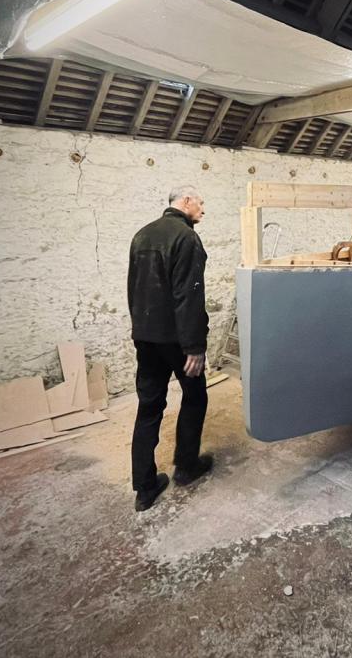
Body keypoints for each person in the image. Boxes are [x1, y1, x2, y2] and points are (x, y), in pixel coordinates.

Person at [127, 185, 213, 511]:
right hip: (177, 340)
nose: (203, 209)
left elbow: (133, 290)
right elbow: (188, 295)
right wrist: (195, 347)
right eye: (200, 202)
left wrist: (139, 331)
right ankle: (187, 467)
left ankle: (145, 487)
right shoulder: (186, 238)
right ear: (186, 201)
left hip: (146, 338)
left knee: (148, 407)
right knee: (195, 396)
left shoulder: (142, 235)